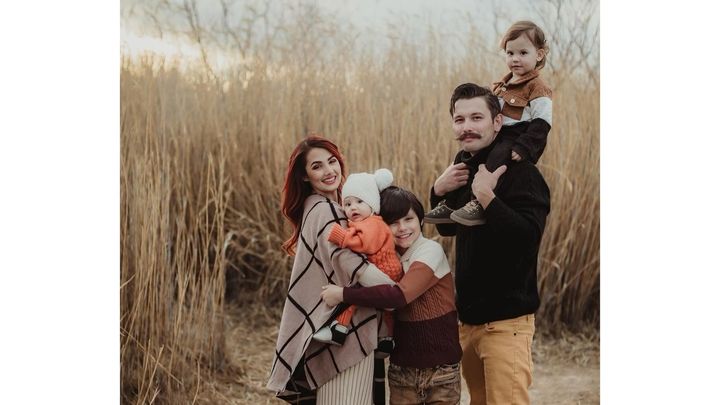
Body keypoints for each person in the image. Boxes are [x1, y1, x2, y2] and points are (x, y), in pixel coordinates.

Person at [429, 83, 550, 405]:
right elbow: (448, 229)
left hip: (506, 324)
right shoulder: (464, 169)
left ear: (497, 122)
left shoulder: (522, 173)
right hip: (468, 321)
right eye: (459, 119)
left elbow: (528, 238)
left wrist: (487, 197)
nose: (466, 127)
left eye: (476, 117)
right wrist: (438, 191)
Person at [267, 135, 397, 405]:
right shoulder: (326, 211)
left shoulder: (324, 208)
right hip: (344, 333)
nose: (329, 171)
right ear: (304, 176)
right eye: (317, 166)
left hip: (335, 329)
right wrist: (395, 291)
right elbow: (353, 266)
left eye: (332, 161)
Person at [321, 186, 463, 404]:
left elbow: (397, 297)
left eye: (409, 219)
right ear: (381, 226)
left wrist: (344, 295)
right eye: (393, 223)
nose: (402, 228)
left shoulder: (429, 251)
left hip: (441, 371)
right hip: (402, 370)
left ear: (420, 220)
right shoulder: (388, 259)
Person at [425, 20, 552, 226]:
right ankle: (450, 206)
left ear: (538, 55)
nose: (515, 59)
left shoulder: (537, 87)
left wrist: (524, 147)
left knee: (498, 154)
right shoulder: (503, 84)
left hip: (515, 137)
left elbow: (542, 122)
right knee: (461, 158)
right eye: (510, 53)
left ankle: (476, 204)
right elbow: (448, 231)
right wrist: (438, 191)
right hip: (500, 136)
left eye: (523, 53)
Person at [313, 168, 403, 350]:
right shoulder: (365, 222)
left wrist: (341, 237)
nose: (353, 207)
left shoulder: (373, 223)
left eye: (359, 201)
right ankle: (386, 338)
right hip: (385, 266)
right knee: (380, 307)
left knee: (353, 295)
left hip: (384, 267)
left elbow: (365, 244)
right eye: (347, 204)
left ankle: (338, 329)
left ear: (372, 204)